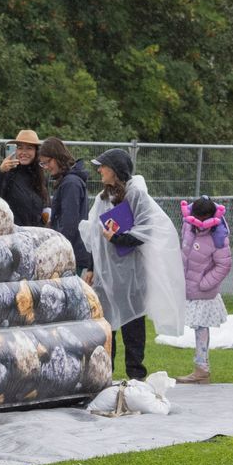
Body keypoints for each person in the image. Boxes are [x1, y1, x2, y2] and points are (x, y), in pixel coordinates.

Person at [79, 148, 185, 381]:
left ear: (116, 171)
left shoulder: (136, 195)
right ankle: (106, 373)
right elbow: (95, 238)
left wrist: (116, 238)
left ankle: (136, 375)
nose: (99, 170)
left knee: (133, 326)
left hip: (132, 274)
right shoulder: (101, 198)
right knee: (107, 326)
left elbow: (148, 230)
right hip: (107, 277)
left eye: (103, 166)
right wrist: (92, 268)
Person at [178, 197, 233, 384]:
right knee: (198, 328)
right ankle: (201, 368)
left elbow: (224, 264)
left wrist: (204, 283)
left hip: (203, 291)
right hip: (188, 286)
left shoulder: (218, 236)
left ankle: (202, 368)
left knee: (201, 329)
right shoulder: (188, 226)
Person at [40, 137, 92, 280]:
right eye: (43, 164)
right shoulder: (68, 180)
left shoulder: (70, 183)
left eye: (48, 162)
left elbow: (70, 224)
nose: (46, 167)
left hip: (74, 254)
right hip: (72, 252)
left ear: (58, 157)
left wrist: (57, 251)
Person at [0, 129, 48, 228]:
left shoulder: (40, 176)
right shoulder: (8, 173)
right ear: (15, 150)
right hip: (11, 235)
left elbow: (45, 206)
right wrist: (0, 172)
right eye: (20, 148)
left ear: (36, 152)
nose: (24, 152)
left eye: (29, 148)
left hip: (34, 235)